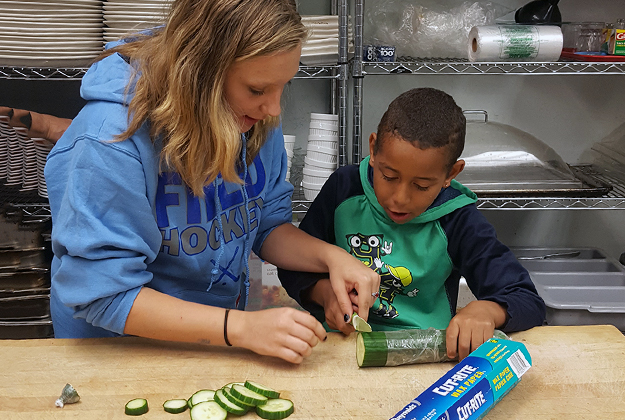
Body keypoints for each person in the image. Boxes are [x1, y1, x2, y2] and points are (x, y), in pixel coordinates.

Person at [44, 0, 379, 365]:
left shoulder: (252, 117)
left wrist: (333, 258)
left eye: (283, 85)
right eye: (256, 89)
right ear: (198, 74)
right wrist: (241, 328)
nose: (274, 108)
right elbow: (105, 294)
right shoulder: (109, 141)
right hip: (117, 354)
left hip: (213, 341)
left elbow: (266, 225)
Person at [278, 87, 546, 361]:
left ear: (450, 174)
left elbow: (526, 299)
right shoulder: (343, 189)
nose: (400, 199)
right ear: (373, 148)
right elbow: (293, 265)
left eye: (421, 185)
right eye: (389, 176)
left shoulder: (459, 219)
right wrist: (325, 295)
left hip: (425, 356)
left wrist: (486, 311)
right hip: (339, 349)